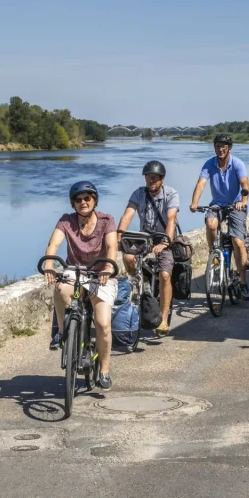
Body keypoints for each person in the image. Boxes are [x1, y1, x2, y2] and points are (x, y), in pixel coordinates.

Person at [42, 181, 119, 391]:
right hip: (75, 271)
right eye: (78, 199)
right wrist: (49, 264)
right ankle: (61, 332)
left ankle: (104, 370)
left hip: (101, 274)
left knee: (103, 324)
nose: (83, 202)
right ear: (73, 203)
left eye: (87, 198)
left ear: (94, 200)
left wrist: (107, 269)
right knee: (59, 288)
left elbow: (112, 246)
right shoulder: (66, 221)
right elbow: (54, 244)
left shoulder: (106, 220)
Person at [117, 160, 179, 335]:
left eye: (154, 178)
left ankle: (164, 319)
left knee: (165, 275)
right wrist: (119, 236)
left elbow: (171, 219)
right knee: (128, 257)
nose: (151, 181)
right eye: (148, 178)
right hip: (144, 238)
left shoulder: (171, 194)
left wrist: (165, 242)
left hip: (164, 238)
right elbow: (127, 215)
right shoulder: (139, 193)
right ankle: (140, 284)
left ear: (162, 179)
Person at [189, 134, 249, 300]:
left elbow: (245, 184)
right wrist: (194, 202)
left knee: (237, 241)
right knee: (211, 224)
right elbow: (201, 183)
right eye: (218, 146)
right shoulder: (209, 164)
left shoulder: (237, 164)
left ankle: (243, 282)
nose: (221, 149)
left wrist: (243, 201)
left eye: (224, 146)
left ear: (229, 148)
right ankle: (213, 253)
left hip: (236, 204)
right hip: (217, 204)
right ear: (214, 148)